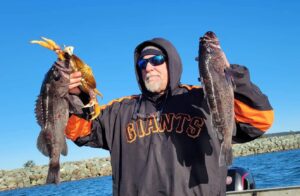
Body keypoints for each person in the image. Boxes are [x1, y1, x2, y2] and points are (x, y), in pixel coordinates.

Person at [64, 37, 274, 196]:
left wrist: (229, 75)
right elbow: (79, 132)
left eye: (156, 60)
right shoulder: (119, 111)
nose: (148, 67)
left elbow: (258, 120)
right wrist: (77, 97)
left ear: (171, 63)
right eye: (142, 63)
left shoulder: (202, 97)